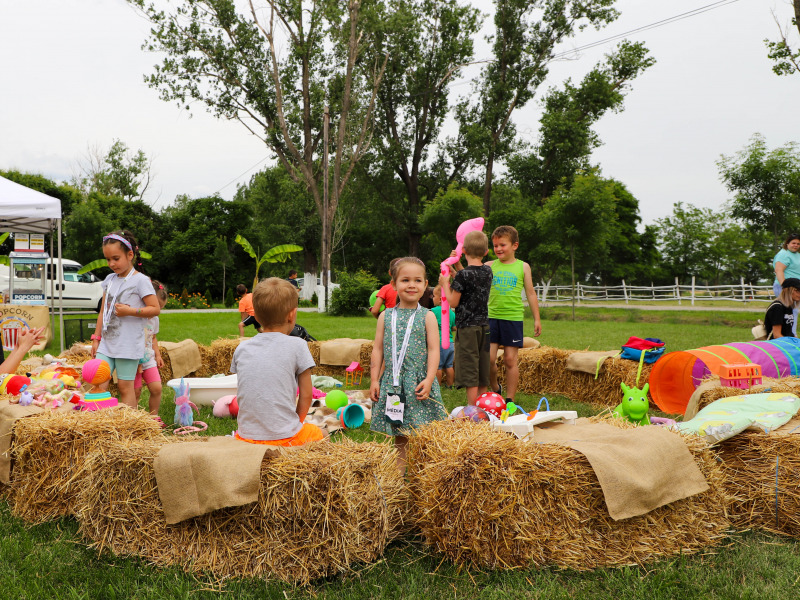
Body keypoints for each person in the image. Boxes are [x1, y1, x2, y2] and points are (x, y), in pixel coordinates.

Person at [370, 257, 447, 474]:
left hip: (418, 384)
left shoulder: (428, 316)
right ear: (393, 285)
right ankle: (399, 473)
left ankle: (427, 472)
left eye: (417, 280)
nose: (411, 285)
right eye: (405, 280)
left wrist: (430, 378)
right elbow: (377, 349)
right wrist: (375, 379)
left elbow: (434, 350)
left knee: (424, 430)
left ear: (425, 285)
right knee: (400, 434)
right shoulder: (385, 316)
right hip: (394, 383)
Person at [232, 277, 324, 446]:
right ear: (292, 314)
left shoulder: (242, 348)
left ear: (256, 316)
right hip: (286, 438)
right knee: (322, 434)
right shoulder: (299, 345)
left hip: (246, 438)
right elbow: (306, 395)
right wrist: (296, 424)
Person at [91, 230, 161, 409]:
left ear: (130, 255)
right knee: (97, 381)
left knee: (124, 387)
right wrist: (96, 338)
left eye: (116, 258)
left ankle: (131, 427)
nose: (111, 264)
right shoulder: (110, 279)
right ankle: (99, 423)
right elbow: (102, 312)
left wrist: (130, 311)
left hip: (128, 344)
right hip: (108, 342)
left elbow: (155, 308)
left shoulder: (141, 281)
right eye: (108, 259)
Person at [486, 225, 542, 404]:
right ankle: (495, 388)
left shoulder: (523, 267)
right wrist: (456, 262)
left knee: (510, 359)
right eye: (495, 246)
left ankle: (509, 400)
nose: (498, 249)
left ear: (514, 245)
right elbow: (469, 275)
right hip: (492, 317)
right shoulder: (489, 266)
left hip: (513, 318)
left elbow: (531, 293)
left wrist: (537, 319)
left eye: (502, 245)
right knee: (489, 359)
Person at [439, 230, 492, 405]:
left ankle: (472, 408)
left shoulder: (463, 275)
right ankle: (484, 406)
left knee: (470, 368)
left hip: (467, 329)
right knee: (483, 367)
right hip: (484, 327)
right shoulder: (487, 271)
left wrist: (444, 284)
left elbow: (453, 302)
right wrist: (458, 267)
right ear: (485, 252)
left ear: (464, 251)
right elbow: (471, 279)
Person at [134, 280, 168, 420]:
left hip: (149, 359)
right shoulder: (135, 318)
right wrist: (138, 363)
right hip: (133, 360)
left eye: (161, 308)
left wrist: (158, 355)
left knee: (157, 388)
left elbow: (153, 338)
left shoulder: (154, 320)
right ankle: (132, 419)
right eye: (157, 306)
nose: (158, 311)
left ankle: (154, 418)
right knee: (135, 392)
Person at [773, 233, 800, 336]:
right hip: (787, 287)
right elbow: (779, 270)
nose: (796, 245)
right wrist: (784, 286)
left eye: (798, 243)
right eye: (793, 243)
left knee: (794, 311)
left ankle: (790, 334)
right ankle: (788, 335)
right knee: (789, 312)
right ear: (787, 243)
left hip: (796, 288)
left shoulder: (797, 255)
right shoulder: (783, 254)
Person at [430, 284, 455, 388]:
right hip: (450, 343)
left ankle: (437, 386)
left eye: (434, 296)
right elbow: (454, 327)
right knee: (449, 366)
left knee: (437, 366)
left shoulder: (433, 311)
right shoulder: (452, 313)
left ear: (440, 299)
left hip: (439, 342)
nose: (432, 298)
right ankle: (450, 385)